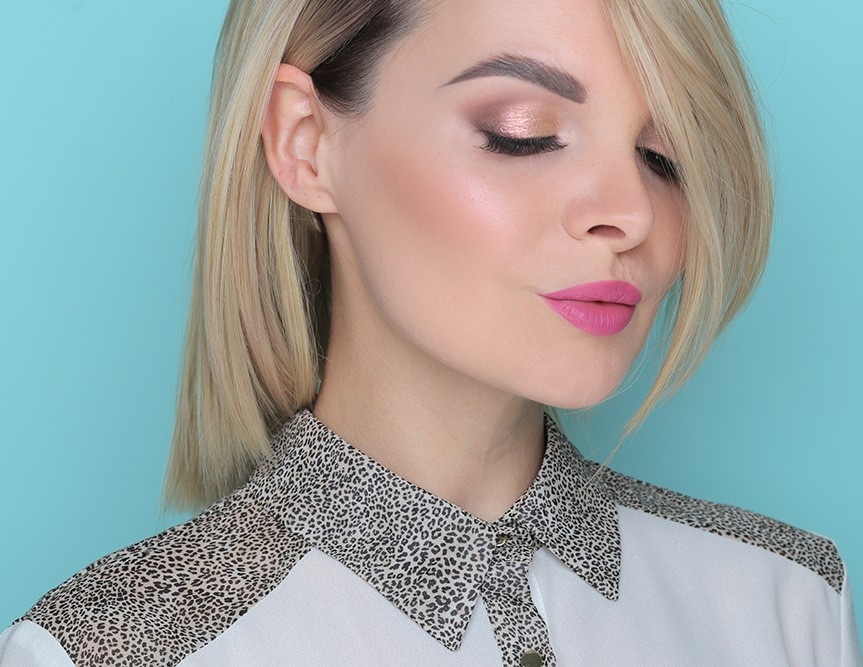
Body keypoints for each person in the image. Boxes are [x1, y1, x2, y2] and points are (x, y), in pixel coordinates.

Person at [1, 0, 860, 664]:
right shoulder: (108, 649)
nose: (629, 212)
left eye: (663, 156)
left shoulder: (784, 603)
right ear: (305, 143)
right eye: (522, 134)